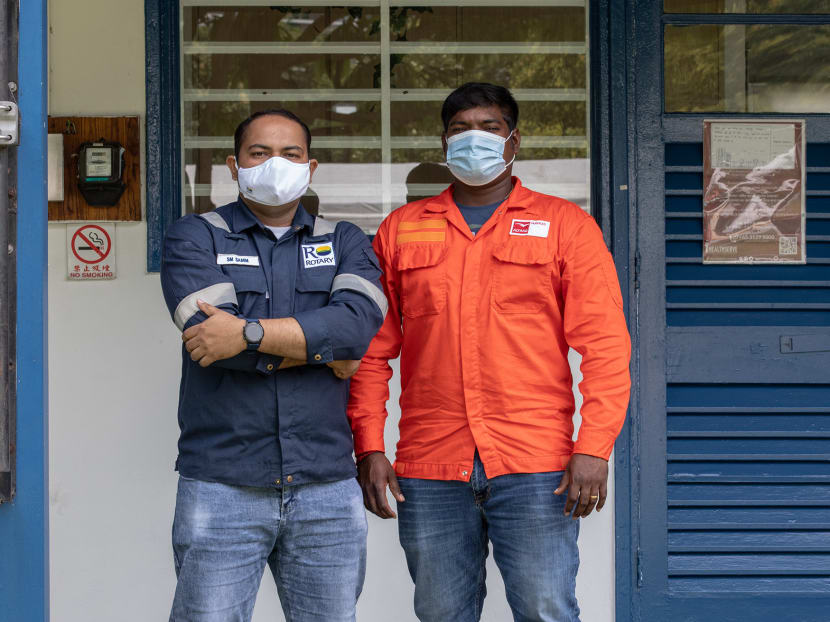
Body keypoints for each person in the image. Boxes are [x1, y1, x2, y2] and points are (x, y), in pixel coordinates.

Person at [347, 83, 631, 622]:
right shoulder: (401, 231)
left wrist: (594, 447)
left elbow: (606, 346)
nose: (473, 139)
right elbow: (369, 352)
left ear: (513, 140)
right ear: (443, 143)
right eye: (459, 130)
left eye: (489, 128)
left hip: (536, 463)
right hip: (431, 466)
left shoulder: (566, 227)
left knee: (546, 609)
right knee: (440, 612)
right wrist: (368, 445)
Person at [160, 109, 387, 622]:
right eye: (259, 153)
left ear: (311, 168)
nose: (274, 164)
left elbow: (356, 329)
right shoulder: (194, 237)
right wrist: (320, 352)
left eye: (291, 154)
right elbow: (209, 342)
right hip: (223, 484)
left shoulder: (346, 240)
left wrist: (248, 332)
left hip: (325, 487)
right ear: (233, 165)